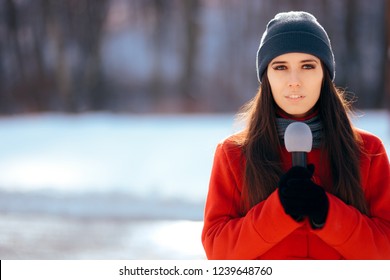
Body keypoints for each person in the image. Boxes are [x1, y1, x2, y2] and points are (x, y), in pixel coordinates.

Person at [201, 11, 390, 260]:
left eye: (307, 66)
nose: (294, 81)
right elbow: (218, 252)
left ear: (325, 74)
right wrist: (278, 211)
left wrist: (328, 213)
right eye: (280, 67)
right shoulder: (233, 153)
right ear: (265, 76)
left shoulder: (368, 149)